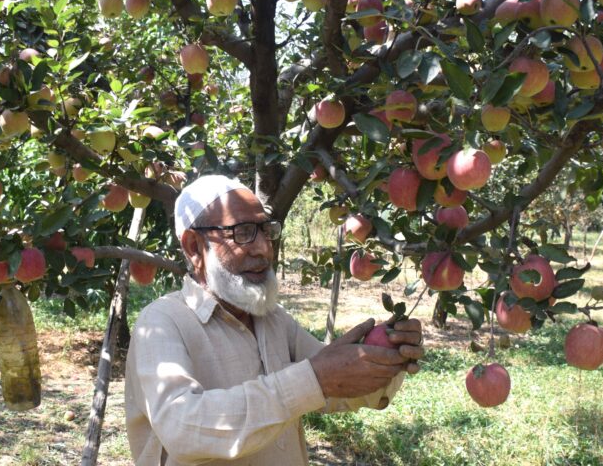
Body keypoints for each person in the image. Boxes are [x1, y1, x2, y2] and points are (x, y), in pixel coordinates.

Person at [124, 175, 424, 465]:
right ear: (194, 247)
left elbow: (337, 386)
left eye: (266, 231)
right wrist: (314, 379)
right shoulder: (162, 323)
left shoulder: (274, 320)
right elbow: (183, 430)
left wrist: (386, 355)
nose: (264, 248)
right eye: (242, 232)